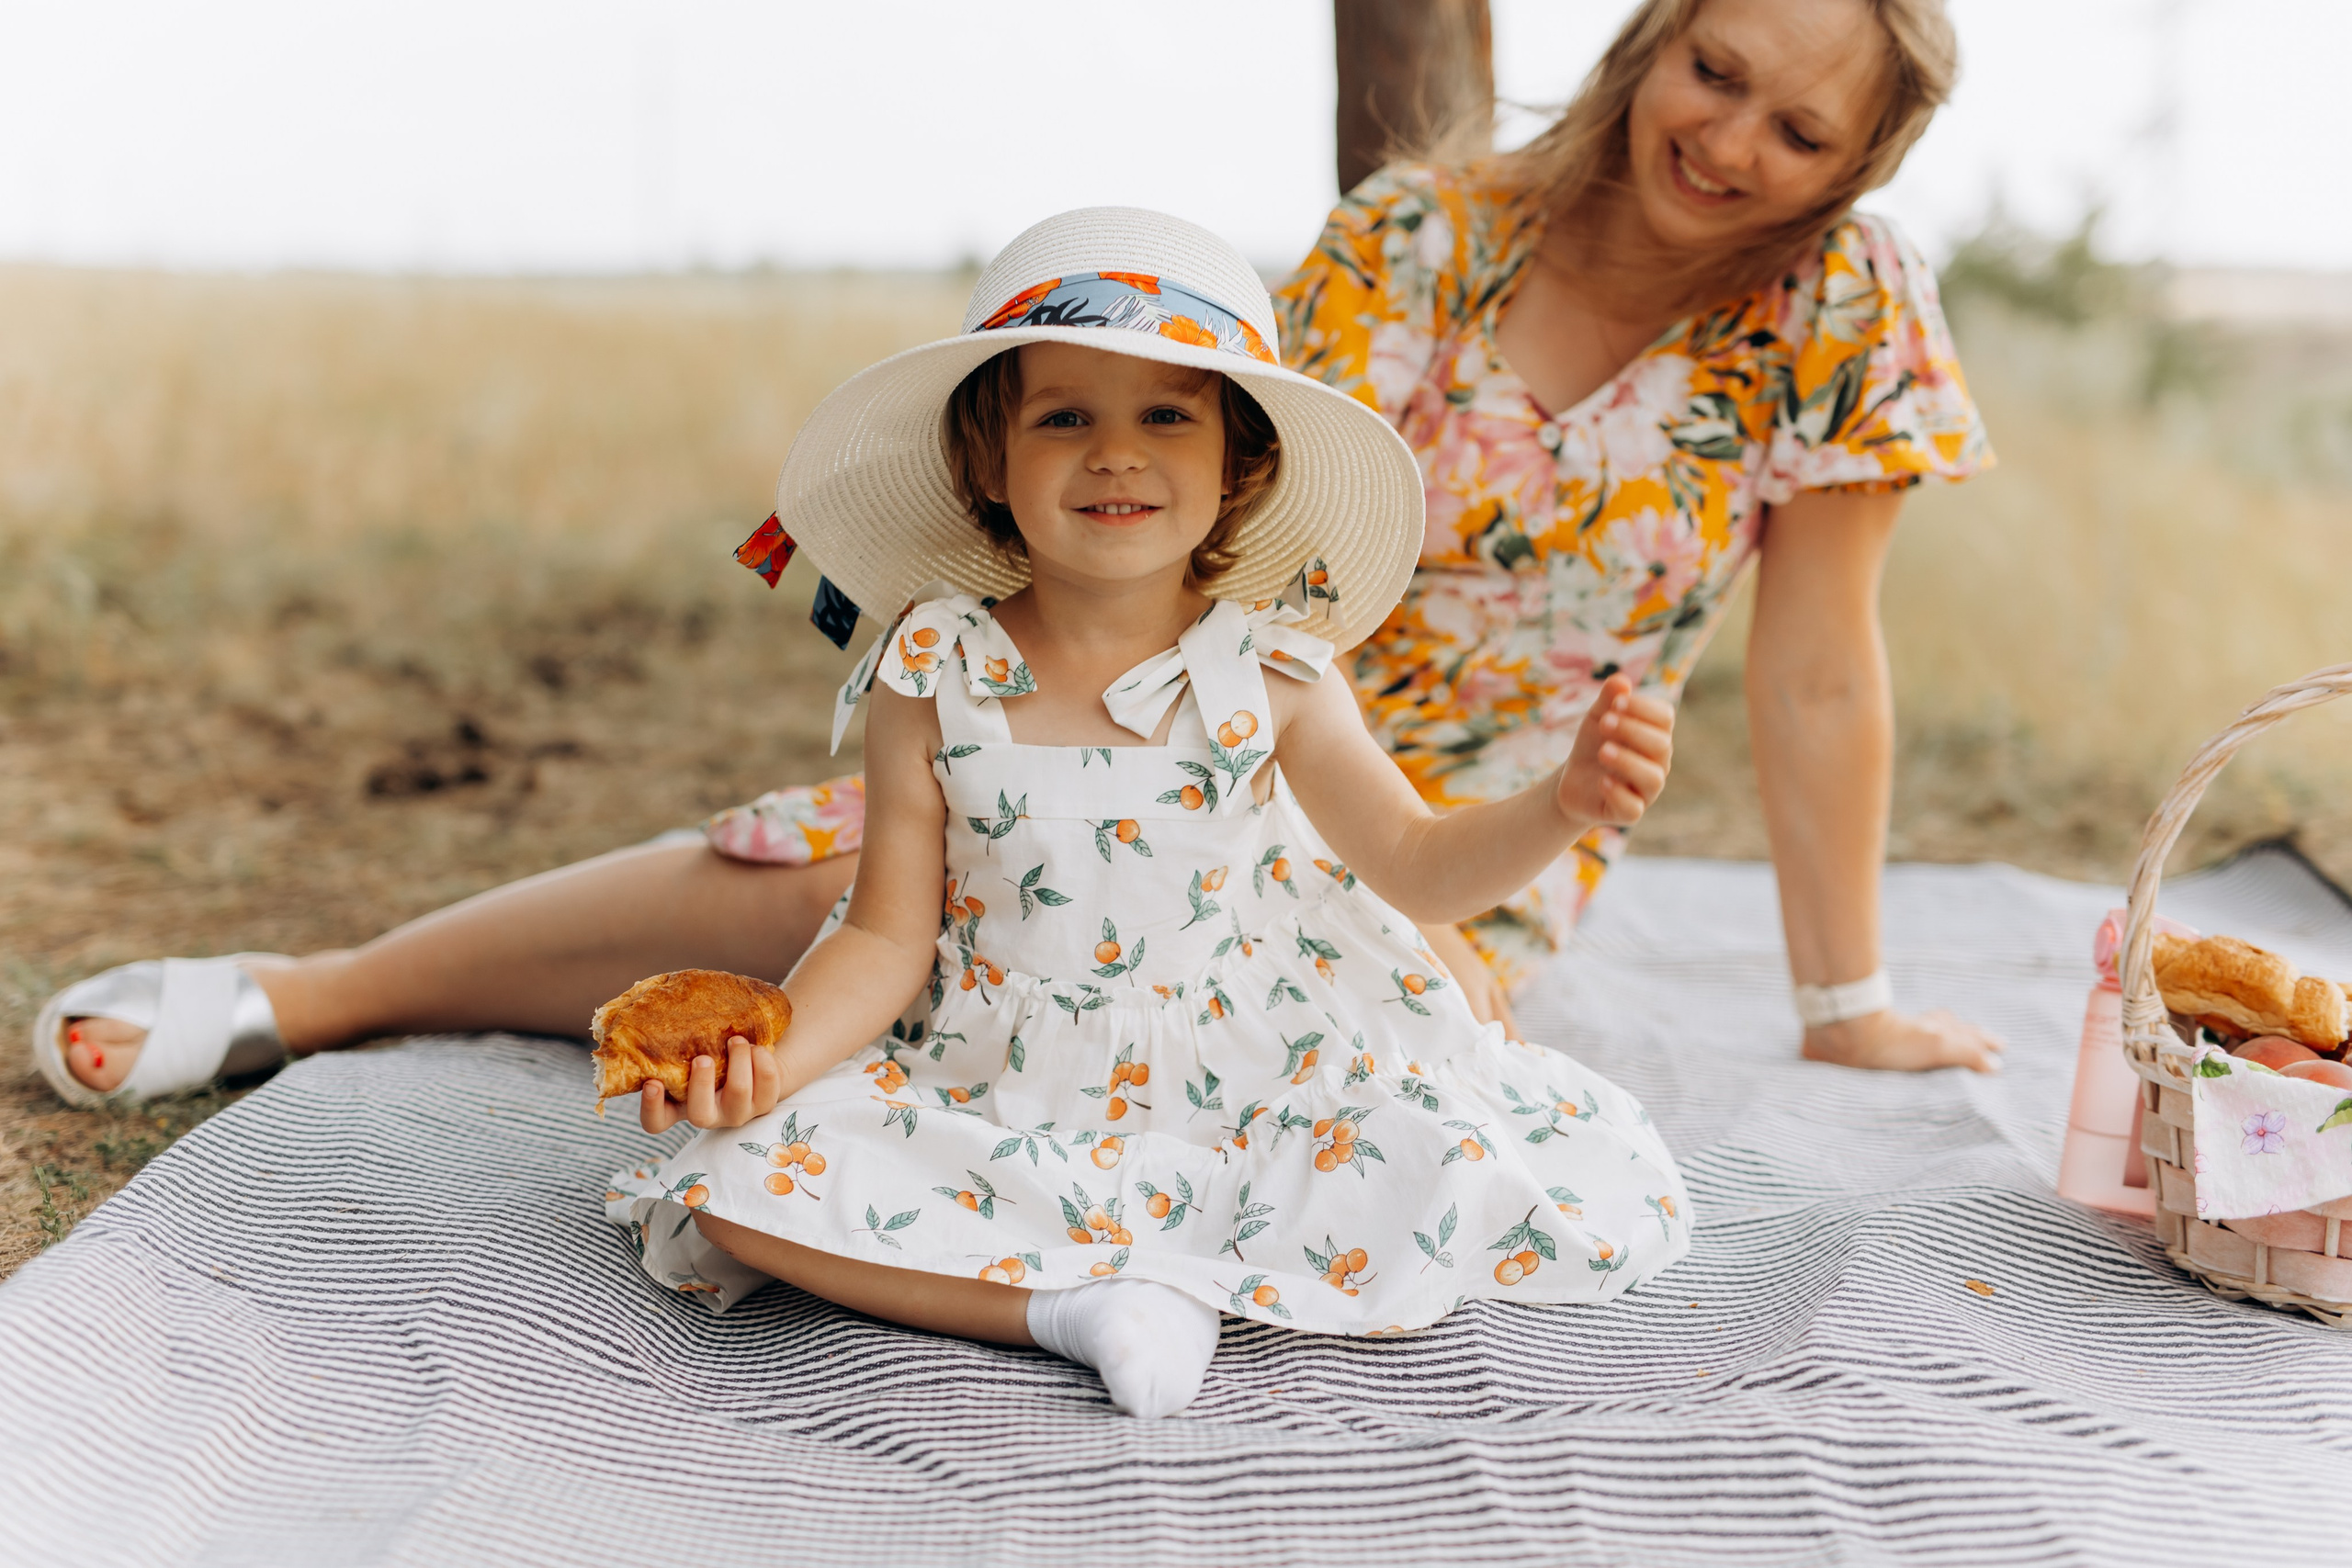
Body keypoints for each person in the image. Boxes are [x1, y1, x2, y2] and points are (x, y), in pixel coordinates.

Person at [34, 0, 1993, 1108]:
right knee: (850, 876)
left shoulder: (1840, 313)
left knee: (1365, 1045)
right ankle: (326, 987)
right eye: (1711, 67)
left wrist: (1846, 1002)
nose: (1728, 137)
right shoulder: (1418, 237)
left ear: (1855, 168)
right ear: (1652, 42)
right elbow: (1183, 479)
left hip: (1451, 812)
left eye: (1795, 127)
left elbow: (1820, 665)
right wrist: (1007, 680)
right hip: (1171, 683)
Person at [598, 208, 1690, 1417]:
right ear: (985, 464)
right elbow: (883, 937)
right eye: (1063, 416)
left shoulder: (1273, 674)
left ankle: (1163, 1255)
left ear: (1240, 464)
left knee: (1429, 1164)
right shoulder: (932, 670)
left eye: (1167, 414)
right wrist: (773, 1066)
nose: (1115, 454)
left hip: (1244, 1076)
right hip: (992, 1077)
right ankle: (1078, 1307)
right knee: (727, 1185)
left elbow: (1422, 866)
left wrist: (1563, 804)